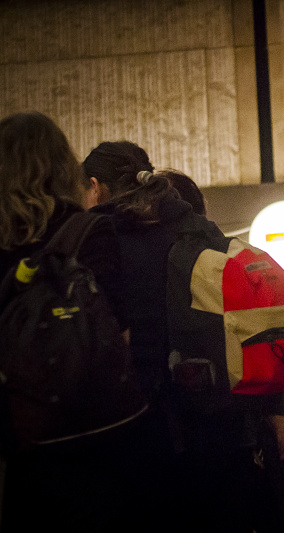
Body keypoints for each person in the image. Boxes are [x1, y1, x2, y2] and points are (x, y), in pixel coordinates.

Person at [82, 141, 284, 532]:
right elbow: (244, 322)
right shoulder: (200, 231)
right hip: (223, 429)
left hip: (142, 433)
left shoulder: (99, 241)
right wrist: (273, 409)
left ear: (95, 187)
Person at [0, 111, 128, 531]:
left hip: (16, 437)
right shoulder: (90, 232)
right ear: (62, 167)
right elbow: (118, 331)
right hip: (90, 438)